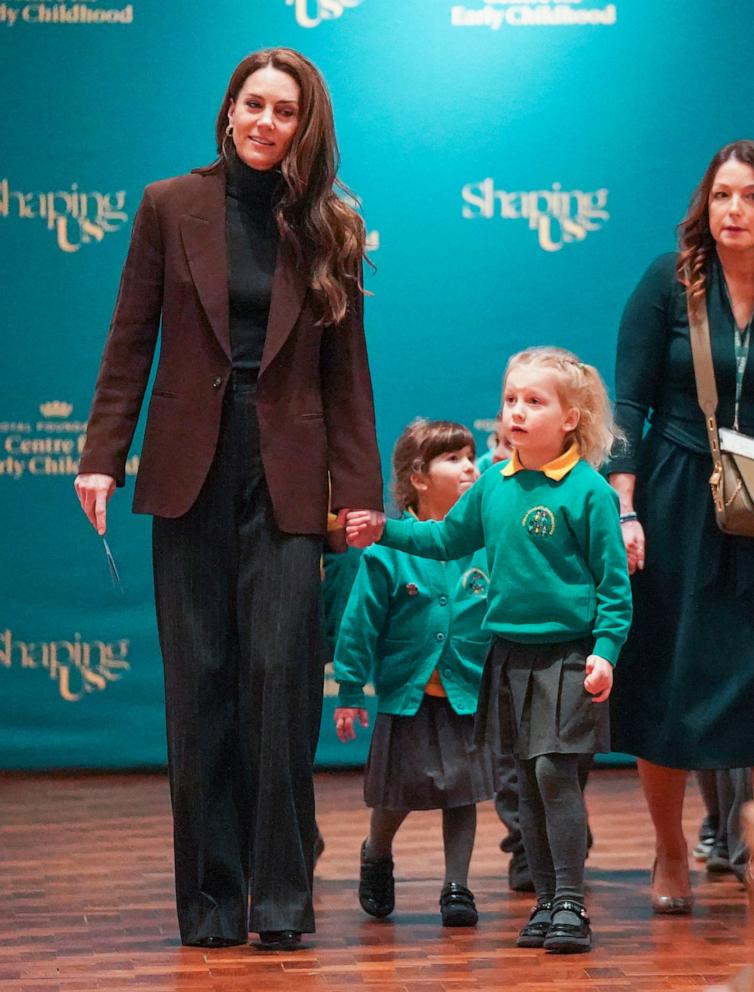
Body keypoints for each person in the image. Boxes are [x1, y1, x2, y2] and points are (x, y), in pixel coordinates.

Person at [73, 48, 384, 951]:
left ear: (305, 125)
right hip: (188, 471)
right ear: (229, 109)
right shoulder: (170, 205)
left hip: (287, 474)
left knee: (283, 687)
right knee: (199, 687)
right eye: (253, 104)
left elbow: (346, 373)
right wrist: (101, 454)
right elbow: (130, 338)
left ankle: (282, 903)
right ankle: (210, 903)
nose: (264, 122)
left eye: (284, 111)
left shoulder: (331, 223)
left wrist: (359, 490)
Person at [347, 347, 632, 953]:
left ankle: (573, 906)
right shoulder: (494, 487)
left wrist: (605, 651)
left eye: (535, 401)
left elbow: (614, 586)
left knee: (556, 773)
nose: (517, 412)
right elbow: (446, 538)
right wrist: (384, 529)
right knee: (525, 781)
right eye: (510, 400)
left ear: (571, 417)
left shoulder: (589, 492)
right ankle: (547, 902)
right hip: (509, 657)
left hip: (569, 657)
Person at [607, 140, 754, 914]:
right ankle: (671, 853)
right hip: (674, 493)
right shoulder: (669, 282)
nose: (735, 211)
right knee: (665, 679)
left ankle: (742, 832)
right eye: (724, 195)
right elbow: (627, 404)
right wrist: (625, 508)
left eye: (751, 197)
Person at [333, 419, 495, 927]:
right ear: (419, 478)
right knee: (395, 793)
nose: (469, 466)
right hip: (409, 696)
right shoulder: (386, 549)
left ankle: (457, 887)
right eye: (453, 459)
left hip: (467, 693)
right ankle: (376, 852)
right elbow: (359, 625)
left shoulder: (488, 540)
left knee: (463, 791)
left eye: (470, 456)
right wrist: (349, 691)